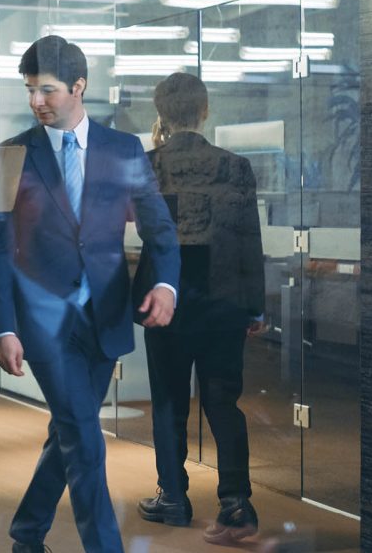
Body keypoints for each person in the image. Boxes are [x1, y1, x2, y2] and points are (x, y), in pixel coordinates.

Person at [0, 35, 181, 553]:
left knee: (71, 430)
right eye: (29, 91)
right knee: (85, 439)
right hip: (42, 322)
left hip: (106, 316)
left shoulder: (124, 149)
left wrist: (164, 283)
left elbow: (160, 230)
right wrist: (3, 326)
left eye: (46, 90)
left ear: (78, 87)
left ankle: (27, 534)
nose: (36, 102)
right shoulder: (7, 156)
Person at [132, 72, 266, 545]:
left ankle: (172, 496)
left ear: (161, 113)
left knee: (168, 400)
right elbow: (250, 238)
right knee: (223, 401)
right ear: (205, 110)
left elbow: (150, 235)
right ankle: (235, 501)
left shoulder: (147, 164)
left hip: (166, 300)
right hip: (225, 300)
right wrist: (255, 306)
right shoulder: (236, 166)